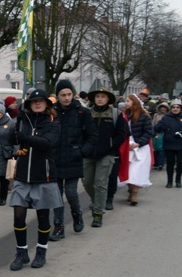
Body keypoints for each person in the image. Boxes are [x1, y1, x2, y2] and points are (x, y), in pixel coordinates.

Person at [8, 89, 62, 270]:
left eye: (41, 101)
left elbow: (47, 143)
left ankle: (41, 251)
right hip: (23, 175)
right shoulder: (23, 120)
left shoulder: (53, 122)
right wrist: (14, 133)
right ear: (29, 104)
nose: (37, 103)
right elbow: (12, 139)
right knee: (18, 215)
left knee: (43, 216)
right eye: (34, 101)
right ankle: (21, 253)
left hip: (44, 176)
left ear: (47, 103)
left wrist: (28, 138)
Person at [50, 79, 97, 241]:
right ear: (57, 96)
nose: (67, 98)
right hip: (55, 159)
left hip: (73, 158)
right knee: (56, 194)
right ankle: (58, 226)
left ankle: (77, 215)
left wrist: (82, 151)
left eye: (69, 94)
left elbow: (92, 136)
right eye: (63, 95)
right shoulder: (51, 113)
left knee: (70, 192)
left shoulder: (82, 112)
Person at [82, 88, 127, 227]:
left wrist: (112, 146)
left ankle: (98, 213)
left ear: (108, 99)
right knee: (87, 182)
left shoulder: (116, 114)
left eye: (103, 97)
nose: (100, 99)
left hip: (106, 154)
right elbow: (81, 131)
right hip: (88, 154)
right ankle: (97, 201)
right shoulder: (87, 113)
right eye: (97, 97)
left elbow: (122, 133)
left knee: (100, 183)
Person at [118, 94, 153, 205]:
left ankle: (134, 194)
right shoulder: (123, 116)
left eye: (128, 101)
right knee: (128, 171)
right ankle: (130, 189)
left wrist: (139, 143)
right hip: (127, 147)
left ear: (134, 103)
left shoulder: (144, 116)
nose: (126, 103)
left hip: (140, 148)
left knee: (137, 172)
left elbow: (149, 132)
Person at [154, 99, 182, 188]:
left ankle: (178, 180)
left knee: (181, 162)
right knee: (170, 163)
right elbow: (156, 127)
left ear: (180, 108)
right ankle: (169, 181)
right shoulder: (166, 118)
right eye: (173, 107)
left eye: (177, 107)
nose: (175, 109)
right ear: (171, 109)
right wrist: (161, 127)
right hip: (169, 144)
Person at [151, 102, 169, 171]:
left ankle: (161, 163)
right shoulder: (156, 115)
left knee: (162, 149)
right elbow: (153, 123)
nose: (163, 109)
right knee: (155, 148)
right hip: (156, 133)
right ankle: (155, 163)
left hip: (164, 133)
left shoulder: (168, 116)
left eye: (164, 107)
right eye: (162, 107)